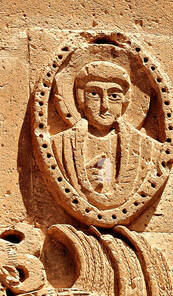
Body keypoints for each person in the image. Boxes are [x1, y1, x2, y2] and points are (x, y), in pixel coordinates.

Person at [50, 58, 166, 214]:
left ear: (125, 102)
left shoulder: (148, 149)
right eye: (94, 94)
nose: (104, 105)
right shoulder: (59, 146)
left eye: (114, 96)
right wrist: (86, 180)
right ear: (81, 100)